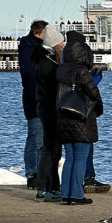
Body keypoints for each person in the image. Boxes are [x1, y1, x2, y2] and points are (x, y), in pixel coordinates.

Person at [55, 30, 104, 205]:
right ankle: (76, 194)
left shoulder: (60, 70)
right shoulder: (82, 71)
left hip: (63, 116)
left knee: (70, 157)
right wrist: (98, 108)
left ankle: (65, 194)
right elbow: (93, 93)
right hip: (82, 117)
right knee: (81, 157)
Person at [32, 26, 66, 201]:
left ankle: (52, 186)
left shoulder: (45, 59)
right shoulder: (48, 62)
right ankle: (44, 188)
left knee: (54, 149)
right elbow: (51, 87)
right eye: (61, 41)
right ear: (54, 43)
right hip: (49, 108)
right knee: (50, 148)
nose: (63, 44)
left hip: (46, 107)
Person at [18, 19, 48, 189]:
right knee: (36, 138)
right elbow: (29, 75)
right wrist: (38, 96)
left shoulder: (32, 45)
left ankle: (37, 172)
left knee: (40, 139)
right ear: (40, 32)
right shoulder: (30, 46)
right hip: (35, 99)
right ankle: (32, 174)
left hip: (37, 98)